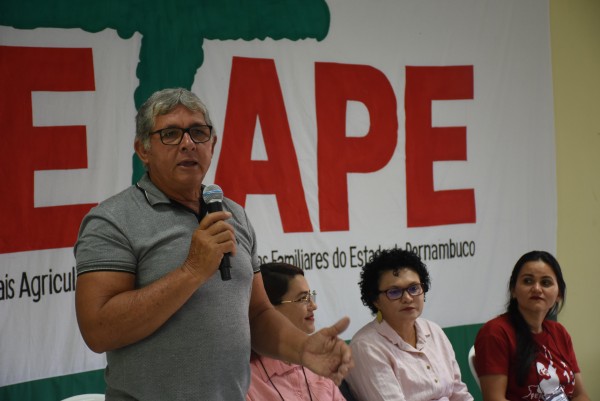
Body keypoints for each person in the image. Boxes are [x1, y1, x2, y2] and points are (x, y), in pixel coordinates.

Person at [74, 88, 352, 401]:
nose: (188, 143)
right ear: (143, 150)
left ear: (212, 144)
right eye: (170, 134)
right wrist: (192, 271)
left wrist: (303, 348)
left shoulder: (233, 214)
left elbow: (258, 315)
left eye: (198, 132)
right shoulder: (113, 219)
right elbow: (98, 330)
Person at [345, 248, 473, 401]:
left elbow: (459, 393)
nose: (407, 298)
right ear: (376, 300)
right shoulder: (366, 347)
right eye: (394, 292)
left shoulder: (433, 330)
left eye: (414, 288)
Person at [474, 251, 590, 401]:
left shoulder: (559, 332)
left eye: (545, 283)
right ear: (513, 290)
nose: (536, 288)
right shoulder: (495, 332)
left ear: (559, 294)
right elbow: (494, 399)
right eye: (528, 281)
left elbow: (581, 395)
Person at [246, 262, 347, 401]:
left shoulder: (316, 362)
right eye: (303, 299)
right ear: (269, 311)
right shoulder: (245, 380)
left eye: (311, 296)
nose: (314, 305)